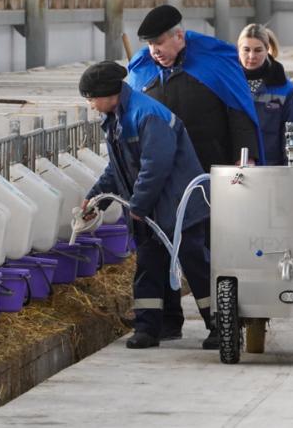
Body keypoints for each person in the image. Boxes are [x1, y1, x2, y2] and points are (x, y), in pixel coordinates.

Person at [127, 5, 265, 341]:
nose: (154, 51)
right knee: (156, 247)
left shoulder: (214, 64)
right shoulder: (143, 74)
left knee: (204, 250)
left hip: (208, 176)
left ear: (179, 36)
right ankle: (162, 322)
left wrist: (244, 161)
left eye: (159, 43)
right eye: (149, 45)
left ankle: (220, 323)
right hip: (161, 178)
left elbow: (239, 113)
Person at [78, 61, 218, 350]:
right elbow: (117, 168)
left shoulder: (146, 115)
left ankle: (219, 323)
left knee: (195, 264)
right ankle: (151, 327)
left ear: (107, 94)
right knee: (149, 265)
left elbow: (155, 167)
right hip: (152, 207)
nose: (91, 105)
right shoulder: (118, 116)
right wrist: (96, 199)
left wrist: (138, 206)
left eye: (91, 98)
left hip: (178, 206)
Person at [237, 24, 293, 165]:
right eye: (246, 49)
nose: (251, 56)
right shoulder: (228, 84)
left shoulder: (285, 89)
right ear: (238, 50)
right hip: (233, 170)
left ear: (267, 50)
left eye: (258, 50)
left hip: (272, 170)